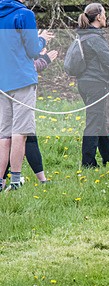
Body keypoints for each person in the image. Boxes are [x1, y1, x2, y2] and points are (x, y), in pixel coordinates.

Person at [0, 0, 52, 191]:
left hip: (2, 82)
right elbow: (33, 50)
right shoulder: (25, 14)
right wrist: (43, 39)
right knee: (21, 132)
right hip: (22, 79)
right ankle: (15, 180)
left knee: (4, 134)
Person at [76, 3, 109, 168]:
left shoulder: (84, 35)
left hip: (85, 82)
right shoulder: (95, 37)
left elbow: (96, 58)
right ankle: (88, 162)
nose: (106, 17)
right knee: (94, 122)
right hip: (95, 84)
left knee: (100, 120)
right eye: (104, 14)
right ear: (98, 17)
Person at [3, 47, 58, 186]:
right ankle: (13, 181)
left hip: (8, 87)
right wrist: (45, 59)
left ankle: (41, 180)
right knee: (15, 136)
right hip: (16, 88)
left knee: (23, 136)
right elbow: (25, 67)